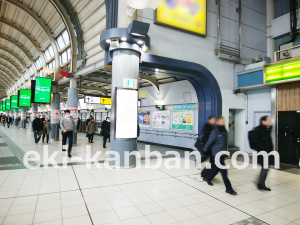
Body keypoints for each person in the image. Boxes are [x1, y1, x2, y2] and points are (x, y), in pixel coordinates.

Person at [203, 116, 237, 195]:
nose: (223, 123)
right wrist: (204, 151)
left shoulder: (224, 131)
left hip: (223, 154)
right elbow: (209, 142)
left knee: (217, 168)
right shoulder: (215, 132)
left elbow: (224, 143)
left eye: (224, 121)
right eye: (222, 121)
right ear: (217, 122)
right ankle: (228, 188)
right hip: (216, 154)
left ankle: (208, 178)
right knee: (224, 171)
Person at [251, 116, 274, 191]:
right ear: (263, 121)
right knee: (265, 168)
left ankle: (260, 182)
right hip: (262, 153)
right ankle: (261, 184)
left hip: (267, 152)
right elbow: (256, 142)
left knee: (265, 168)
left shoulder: (265, 129)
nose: (269, 122)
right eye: (268, 120)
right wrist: (263, 148)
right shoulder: (258, 130)